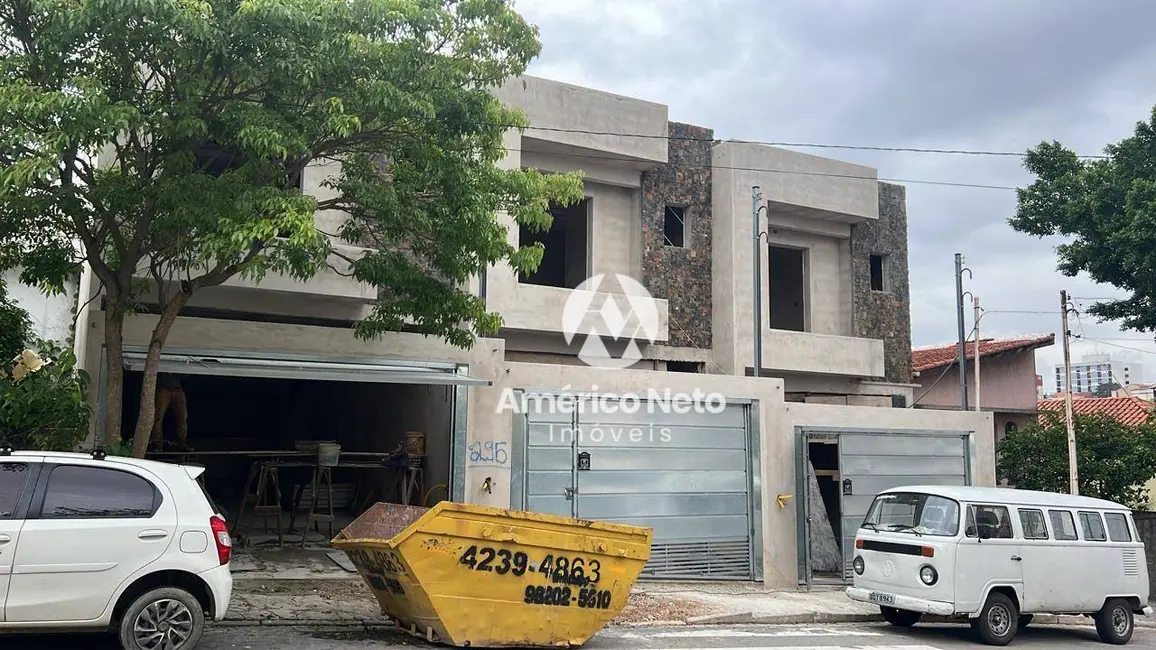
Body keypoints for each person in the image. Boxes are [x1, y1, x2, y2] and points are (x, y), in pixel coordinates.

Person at [150, 373, 190, 452]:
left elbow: (187, 374)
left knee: (182, 418)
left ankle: (182, 444)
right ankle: (157, 445)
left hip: (178, 388)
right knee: (158, 417)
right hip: (163, 387)